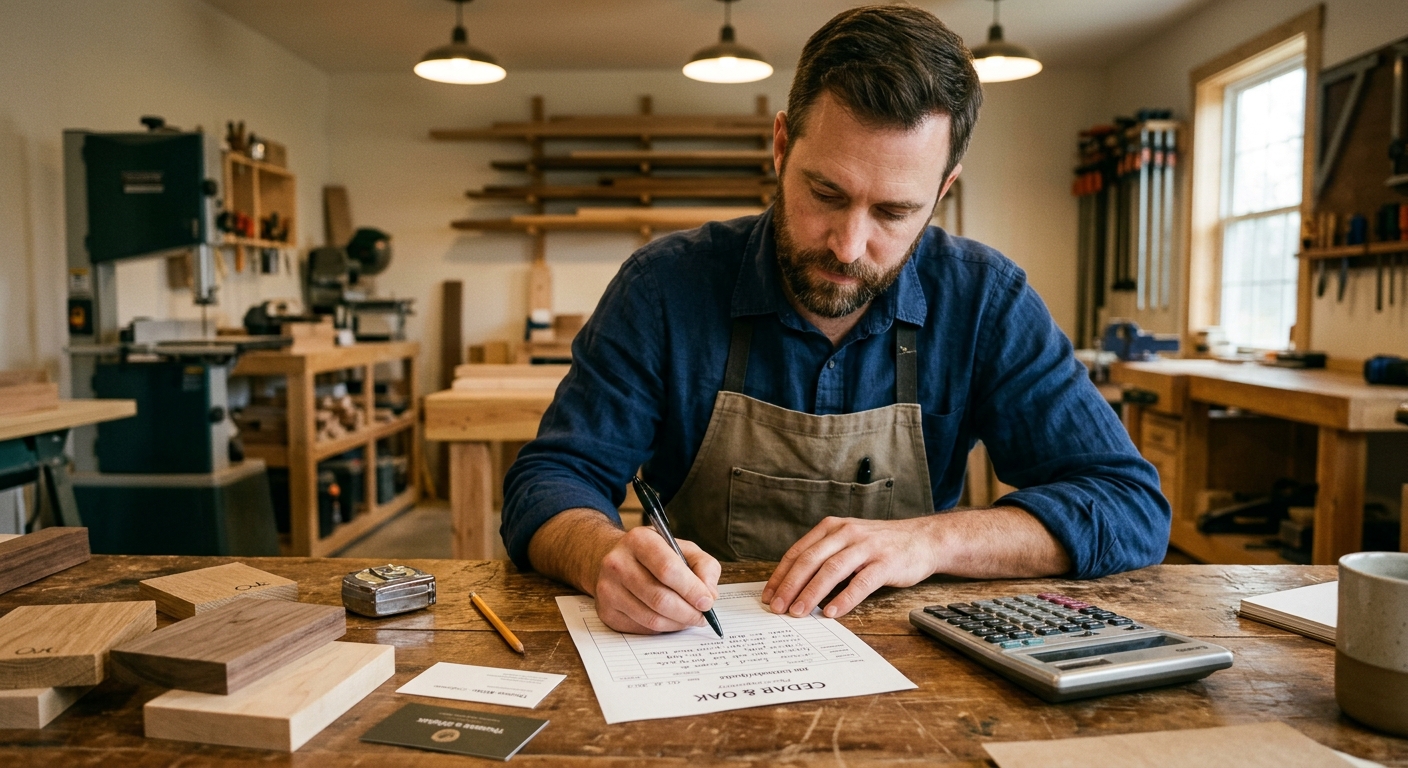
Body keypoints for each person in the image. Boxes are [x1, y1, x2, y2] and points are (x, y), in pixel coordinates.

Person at [502, 5, 1170, 635]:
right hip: (699, 652)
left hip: (910, 663)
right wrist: (600, 555)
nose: (848, 246)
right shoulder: (664, 287)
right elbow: (549, 481)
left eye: (894, 212)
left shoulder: (984, 300)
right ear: (781, 146)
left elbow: (1128, 507)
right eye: (827, 193)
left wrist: (932, 540)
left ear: (942, 190)